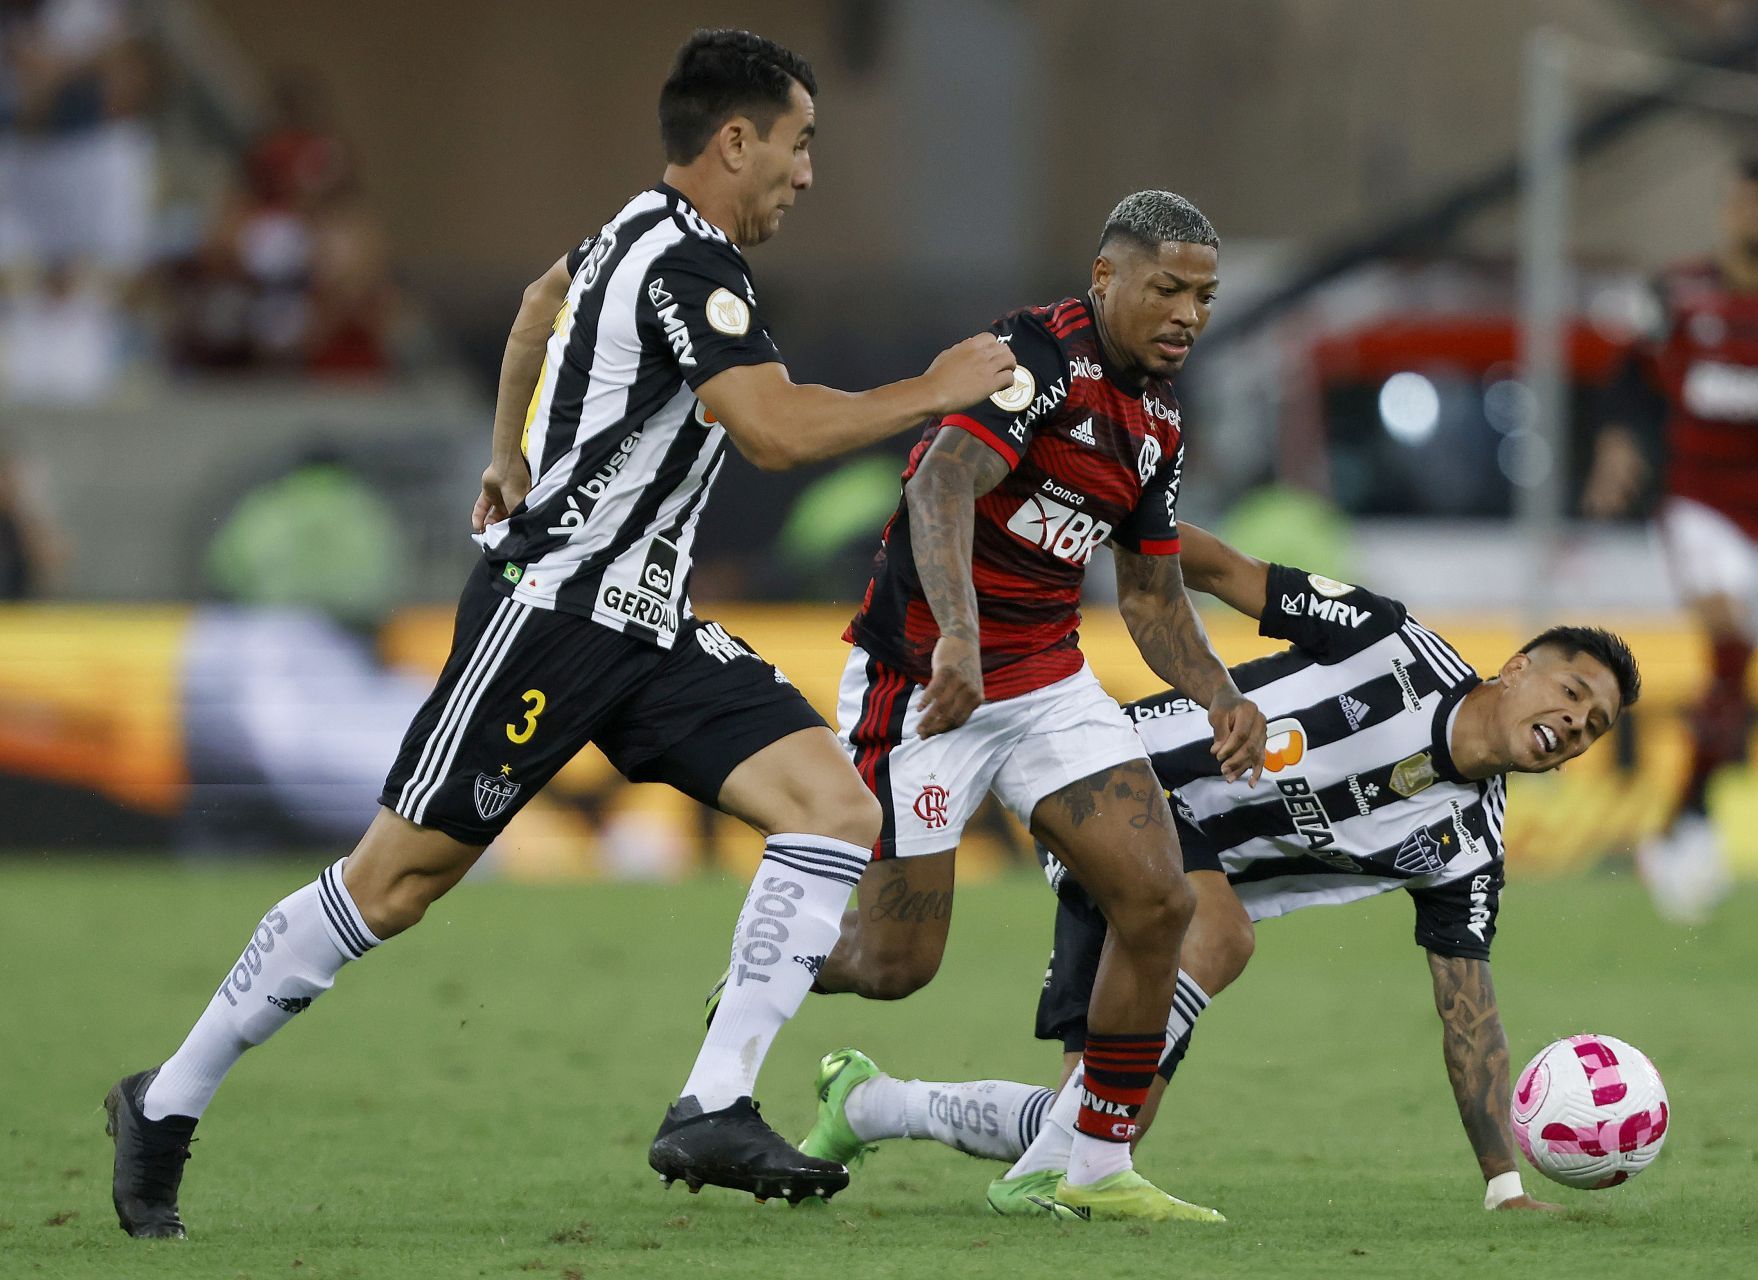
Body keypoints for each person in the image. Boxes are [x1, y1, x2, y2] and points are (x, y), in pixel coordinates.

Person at [103, 28, 1017, 1237]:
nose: (806, 174)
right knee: (394, 884)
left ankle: (713, 1099)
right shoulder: (689, 267)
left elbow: (539, 308)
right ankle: (164, 1102)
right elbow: (775, 434)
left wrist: (507, 451)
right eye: (798, 147)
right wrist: (937, 385)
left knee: (836, 809)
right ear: (733, 141)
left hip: (650, 627)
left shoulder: (626, 235)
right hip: (550, 618)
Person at [795, 522, 1640, 1219]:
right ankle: (1048, 1173)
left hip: (1173, 897)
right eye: (1571, 692)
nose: (1575, 722)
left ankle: (869, 1103)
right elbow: (1228, 570)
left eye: (1594, 726)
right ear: (1518, 666)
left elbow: (1469, 1012)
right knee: (1221, 935)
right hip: (1112, 779)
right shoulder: (1389, 644)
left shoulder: (1470, 849)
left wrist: (1504, 1186)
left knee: (1097, 1119)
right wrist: (1097, 524)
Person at [797, 191, 1268, 1223]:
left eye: (1205, 295)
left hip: (1047, 684)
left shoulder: (1161, 421)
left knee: (1159, 900)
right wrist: (958, 635)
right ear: (1106, 279)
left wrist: (1220, 691)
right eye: (1167, 288)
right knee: (895, 962)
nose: (1189, 313)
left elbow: (1146, 591)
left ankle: (1088, 1164)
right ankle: (782, 955)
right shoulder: (1034, 359)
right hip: (928, 688)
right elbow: (939, 487)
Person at [1582, 155, 1758, 923]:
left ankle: (1687, 820)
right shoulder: (1677, 295)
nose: (1755, 219)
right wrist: (1618, 448)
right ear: (1725, 215)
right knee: (1730, 644)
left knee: (1737, 676)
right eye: (1744, 204)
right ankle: (1687, 825)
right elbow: (1625, 378)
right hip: (1698, 508)